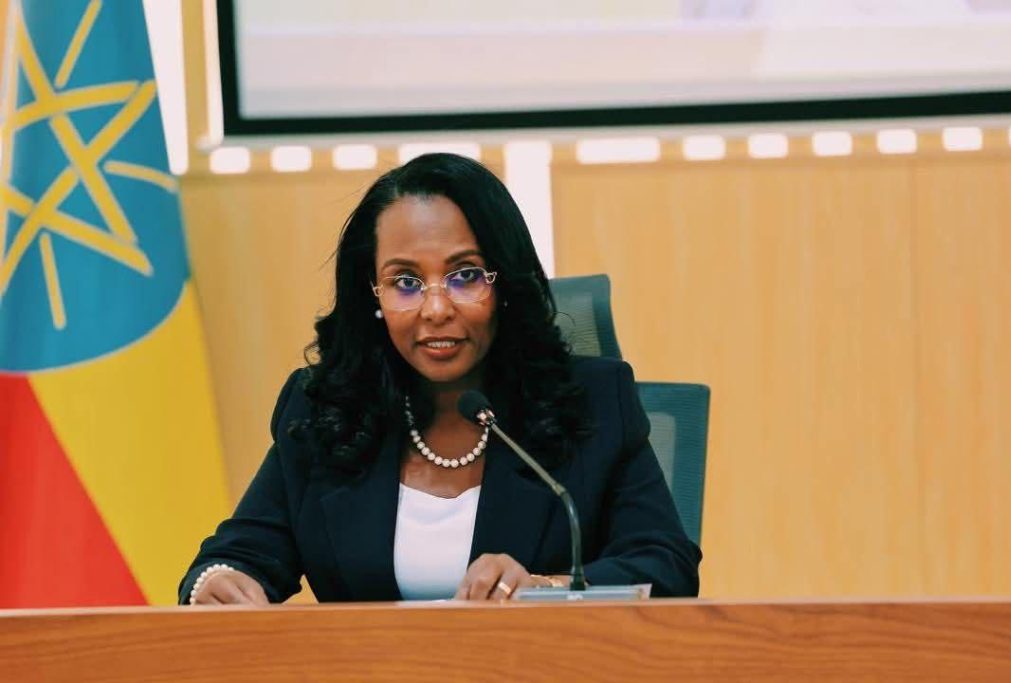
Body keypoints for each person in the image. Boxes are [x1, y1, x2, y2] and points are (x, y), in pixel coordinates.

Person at [179, 153, 701, 605]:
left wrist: (545, 590)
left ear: (505, 284)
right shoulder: (324, 411)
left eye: (465, 276)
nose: (435, 308)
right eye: (405, 282)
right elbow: (238, 554)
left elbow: (665, 564)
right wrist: (219, 580)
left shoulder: (592, 403)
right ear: (373, 295)